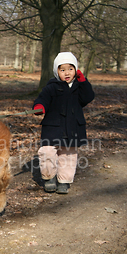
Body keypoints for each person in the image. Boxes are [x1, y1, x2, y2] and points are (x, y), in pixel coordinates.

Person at [33, 52, 95, 194]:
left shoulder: (79, 87)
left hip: (73, 126)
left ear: (76, 70)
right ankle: (49, 177)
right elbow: (42, 99)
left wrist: (83, 82)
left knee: (68, 154)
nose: (67, 73)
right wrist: (39, 107)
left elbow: (88, 97)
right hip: (53, 126)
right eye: (62, 70)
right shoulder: (51, 87)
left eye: (70, 69)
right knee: (47, 151)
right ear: (56, 71)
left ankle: (64, 181)